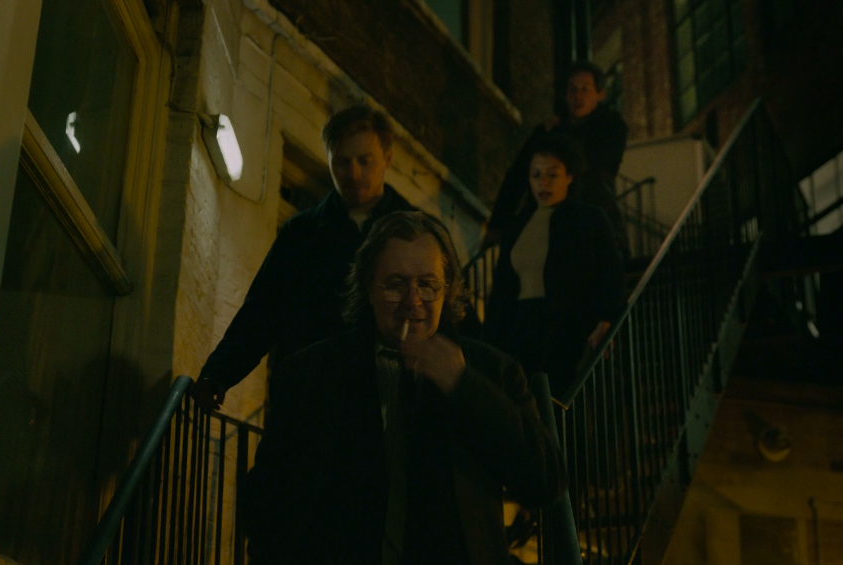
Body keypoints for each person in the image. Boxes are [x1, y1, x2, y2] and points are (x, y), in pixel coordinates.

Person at [238, 211, 566, 565]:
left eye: (427, 284)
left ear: (447, 288)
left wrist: (463, 384)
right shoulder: (311, 372)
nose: (413, 301)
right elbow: (266, 499)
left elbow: (544, 481)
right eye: (396, 284)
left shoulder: (492, 371)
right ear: (368, 287)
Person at [192, 105, 416, 410]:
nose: (353, 174)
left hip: (381, 403)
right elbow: (261, 311)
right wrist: (219, 372)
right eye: (341, 162)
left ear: (387, 159)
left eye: (365, 161)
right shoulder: (299, 234)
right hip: (307, 398)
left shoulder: (415, 235)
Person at [484, 134, 625, 396]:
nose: (543, 182)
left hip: (566, 328)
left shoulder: (589, 219)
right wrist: (491, 340)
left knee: (559, 400)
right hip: (520, 328)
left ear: (569, 176)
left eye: (552, 174)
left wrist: (606, 320)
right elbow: (502, 289)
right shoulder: (517, 227)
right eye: (536, 175)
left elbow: (612, 275)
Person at [487, 60, 629, 252]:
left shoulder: (611, 127)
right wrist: (497, 223)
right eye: (572, 89)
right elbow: (518, 173)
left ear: (600, 94)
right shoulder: (549, 130)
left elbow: (597, 165)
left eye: (585, 89)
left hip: (590, 215)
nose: (578, 96)